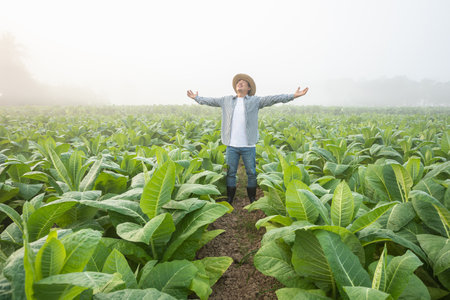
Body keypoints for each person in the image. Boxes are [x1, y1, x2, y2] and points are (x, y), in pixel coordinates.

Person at [187, 73, 308, 204]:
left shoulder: (255, 101)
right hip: (231, 145)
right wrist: (196, 98)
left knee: (251, 172)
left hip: (248, 145)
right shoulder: (226, 100)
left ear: (249, 88)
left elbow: (274, 99)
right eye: (239, 81)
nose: (240, 83)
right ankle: (230, 198)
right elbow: (210, 101)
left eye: (244, 82)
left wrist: (293, 96)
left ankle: (252, 198)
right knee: (231, 172)